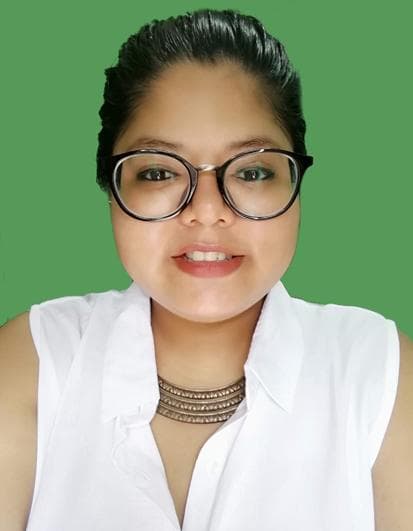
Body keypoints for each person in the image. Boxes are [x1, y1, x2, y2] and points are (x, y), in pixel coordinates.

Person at [0, 7, 412, 531]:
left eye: (252, 171)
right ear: (111, 188)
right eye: (158, 172)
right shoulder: (34, 362)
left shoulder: (377, 373)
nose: (208, 211)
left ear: (295, 182)